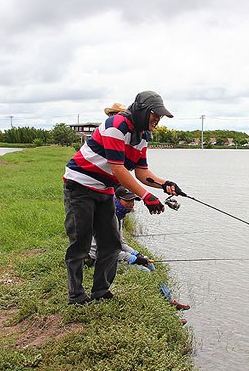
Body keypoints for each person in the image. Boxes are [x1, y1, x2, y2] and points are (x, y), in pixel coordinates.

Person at [63, 90, 186, 305]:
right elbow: (118, 169)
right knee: (80, 242)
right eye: (154, 114)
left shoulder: (143, 137)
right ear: (141, 111)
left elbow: (142, 173)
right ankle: (76, 295)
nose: (157, 119)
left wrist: (164, 184)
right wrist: (147, 197)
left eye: (160, 116)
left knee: (111, 243)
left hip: (105, 189)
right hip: (80, 185)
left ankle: (101, 291)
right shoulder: (116, 125)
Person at [87, 185, 190, 310]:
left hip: (111, 255)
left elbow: (121, 242)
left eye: (132, 201)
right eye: (127, 201)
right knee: (145, 271)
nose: (131, 204)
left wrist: (137, 254)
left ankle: (170, 301)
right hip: (97, 258)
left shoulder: (119, 217)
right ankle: (160, 308)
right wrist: (133, 259)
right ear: (117, 200)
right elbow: (109, 250)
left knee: (149, 264)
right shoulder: (109, 217)